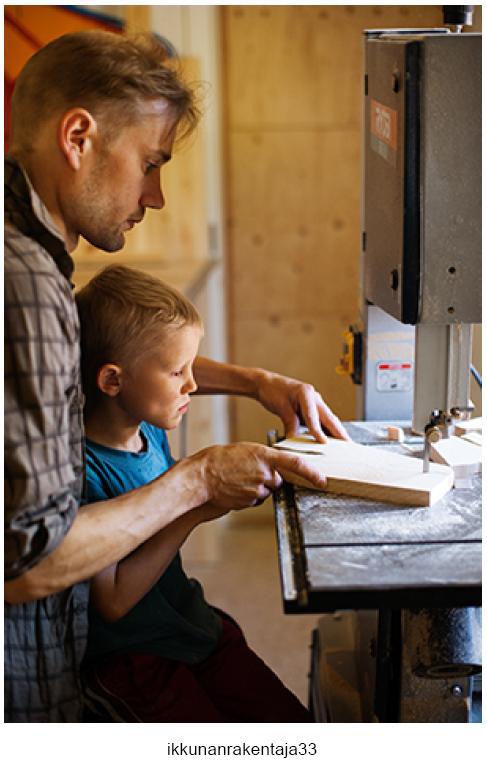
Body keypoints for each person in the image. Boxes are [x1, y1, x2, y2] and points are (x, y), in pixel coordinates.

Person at [4, 30, 348, 722]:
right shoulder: (24, 283)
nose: (156, 196)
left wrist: (253, 380)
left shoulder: (28, 261)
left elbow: (88, 356)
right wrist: (197, 482)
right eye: (149, 163)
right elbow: (27, 564)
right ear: (79, 137)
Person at [76, 264, 312, 722]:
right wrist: (197, 506)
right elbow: (114, 601)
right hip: (135, 660)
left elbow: (158, 370)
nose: (193, 384)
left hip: (190, 624)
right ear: (111, 381)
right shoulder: (86, 471)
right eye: (177, 371)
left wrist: (260, 382)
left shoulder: (148, 426)